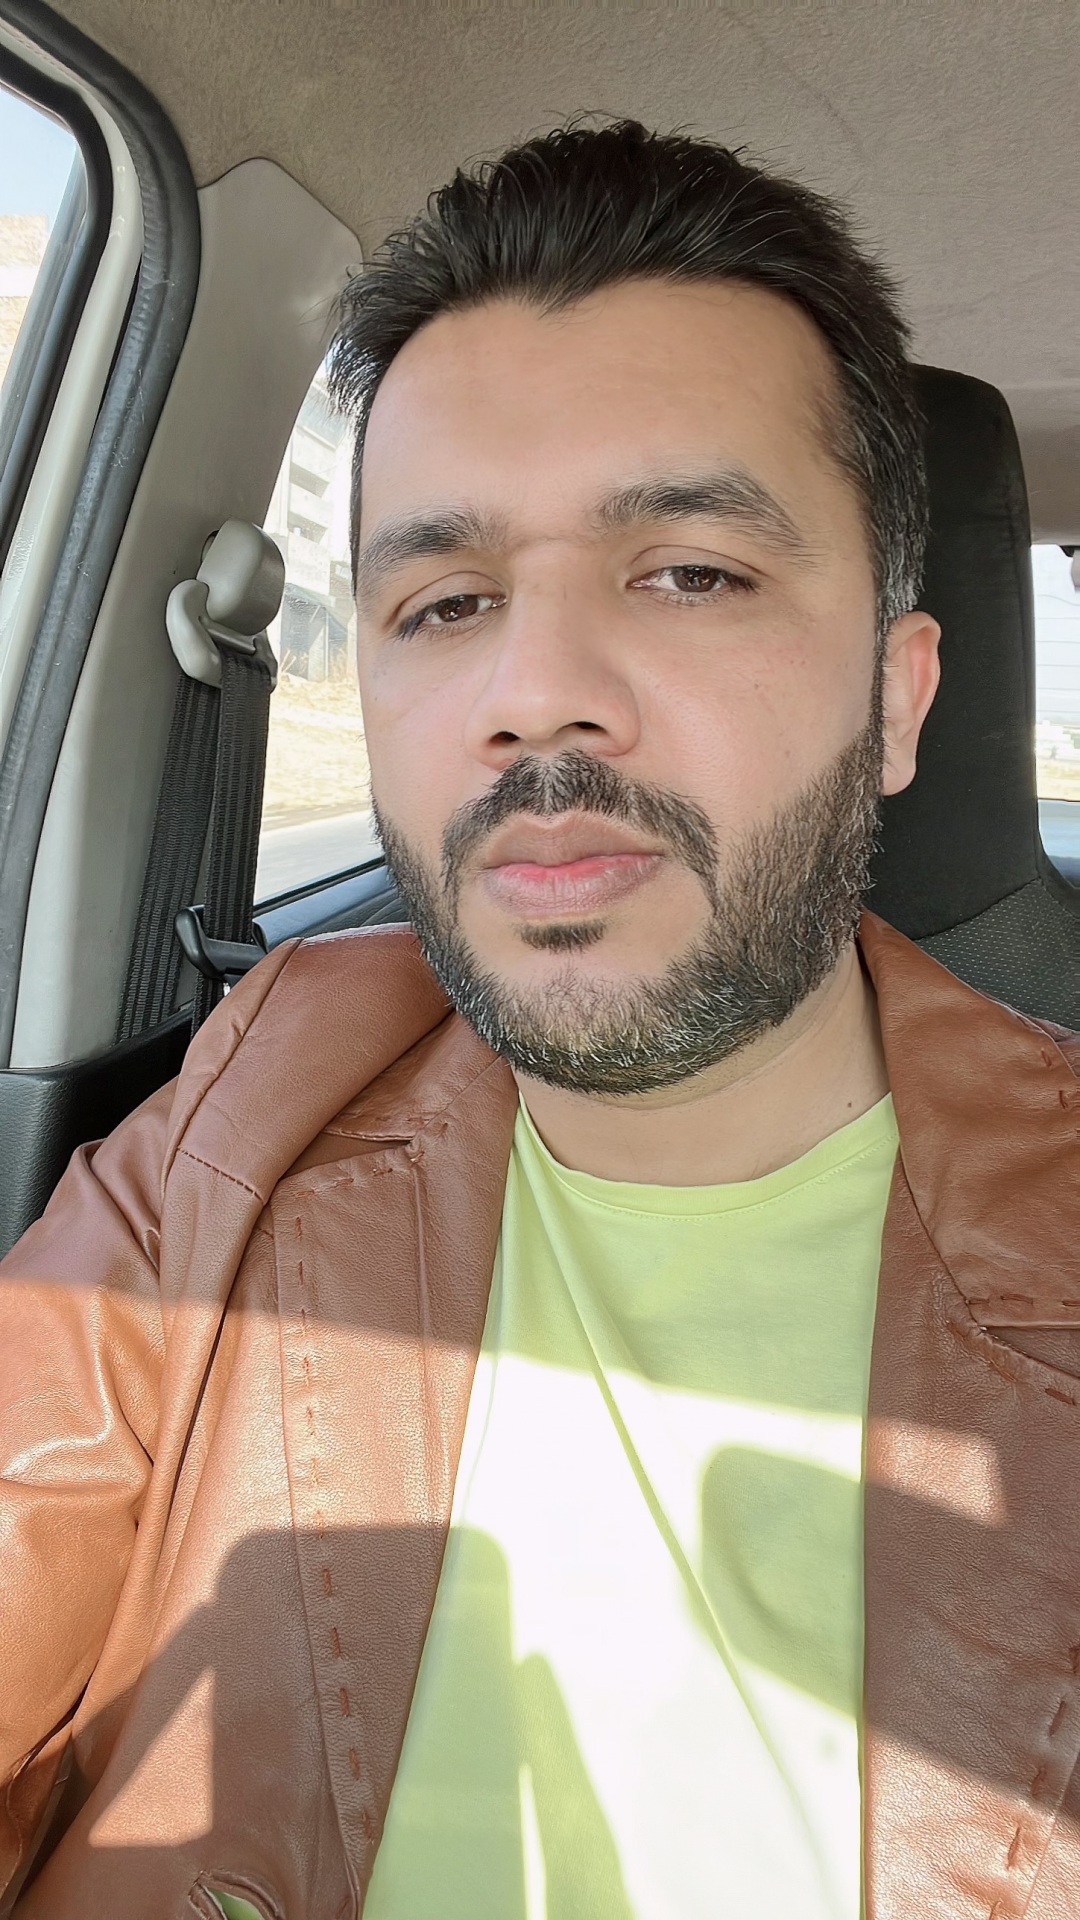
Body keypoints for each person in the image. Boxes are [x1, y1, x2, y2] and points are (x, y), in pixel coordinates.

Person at [1, 120, 1077, 1920]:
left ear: (897, 705)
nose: (535, 694)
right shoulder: (255, 1105)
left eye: (692, 571)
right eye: (446, 602)